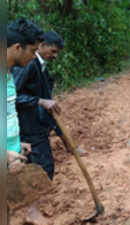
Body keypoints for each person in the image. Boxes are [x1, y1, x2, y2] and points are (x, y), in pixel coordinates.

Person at [6, 18, 45, 225]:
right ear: (17, 47)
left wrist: (15, 143)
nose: (34, 56)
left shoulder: (9, 75)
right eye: (32, 51)